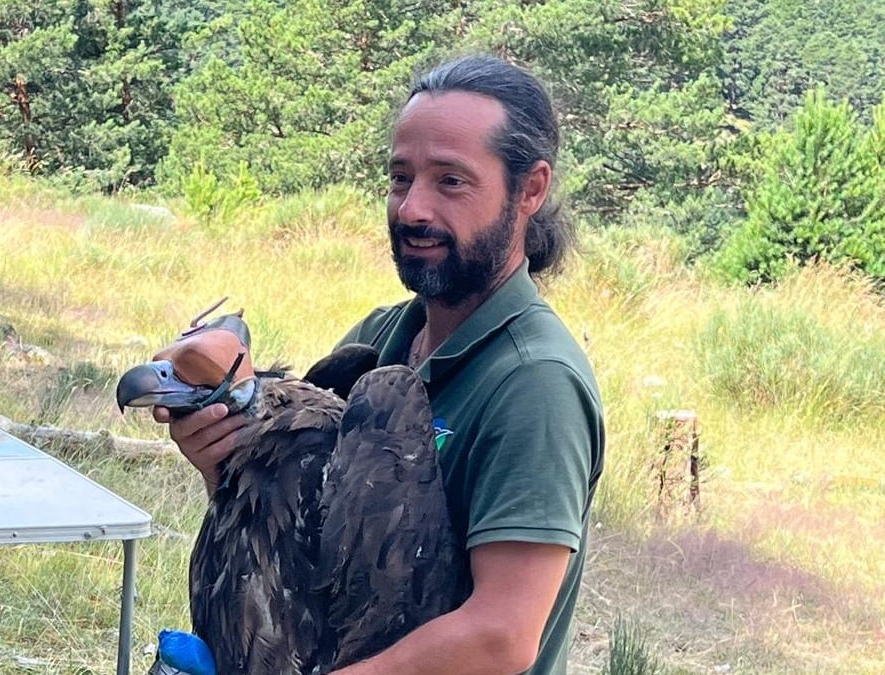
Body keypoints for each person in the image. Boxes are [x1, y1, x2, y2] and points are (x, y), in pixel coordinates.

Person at [153, 53, 605, 675]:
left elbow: (500, 636)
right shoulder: (378, 339)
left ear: (530, 189)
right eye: (400, 178)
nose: (413, 208)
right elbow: (303, 544)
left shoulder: (534, 382)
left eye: (450, 181)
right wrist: (227, 468)